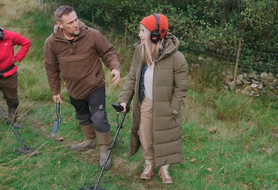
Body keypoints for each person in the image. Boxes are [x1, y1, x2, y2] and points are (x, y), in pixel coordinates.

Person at [44, 5, 121, 170]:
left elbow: (108, 52)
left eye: (76, 19)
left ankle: (104, 149)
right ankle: (88, 140)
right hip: (73, 88)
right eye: (70, 22)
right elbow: (51, 68)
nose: (75, 24)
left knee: (99, 117)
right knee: (82, 115)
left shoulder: (93, 35)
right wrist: (55, 91)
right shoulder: (51, 43)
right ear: (60, 24)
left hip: (95, 85)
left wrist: (114, 67)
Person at [118, 13, 188, 184]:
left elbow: (181, 87)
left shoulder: (176, 58)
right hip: (146, 103)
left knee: (165, 138)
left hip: (166, 106)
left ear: (155, 35)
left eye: (143, 31)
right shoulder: (140, 52)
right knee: (146, 136)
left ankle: (164, 169)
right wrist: (124, 99)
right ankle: (149, 163)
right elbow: (132, 77)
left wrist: (173, 108)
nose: (139, 34)